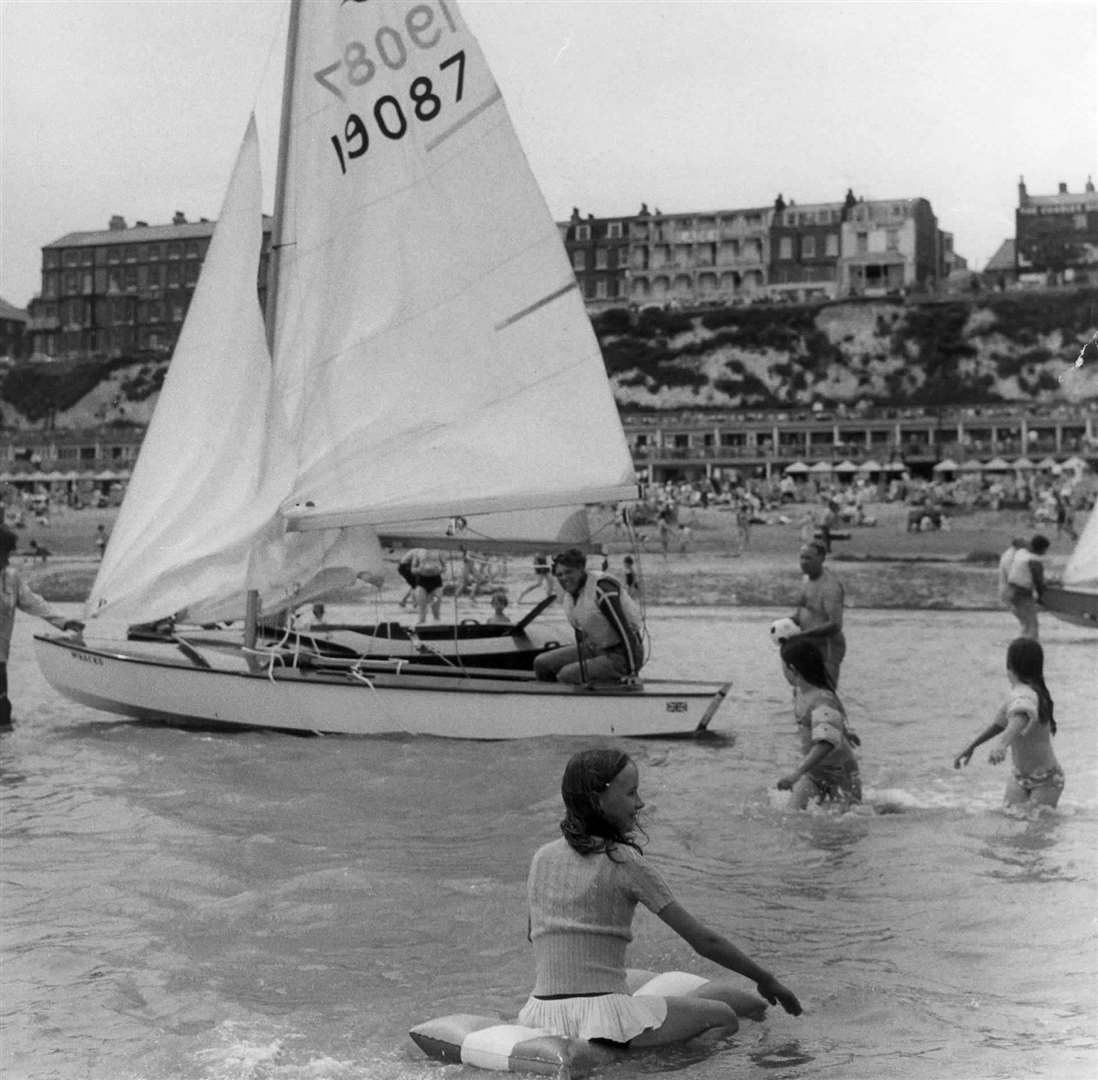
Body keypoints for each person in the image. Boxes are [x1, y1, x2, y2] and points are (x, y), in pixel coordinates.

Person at [517, 749, 802, 1046]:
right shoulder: (622, 860)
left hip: (540, 1012)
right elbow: (704, 942)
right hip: (605, 1020)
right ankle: (667, 1066)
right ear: (598, 799)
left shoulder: (542, 857)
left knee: (636, 977)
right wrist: (764, 978)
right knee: (724, 1016)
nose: (640, 803)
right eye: (631, 793)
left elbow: (533, 934)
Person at [953, 638, 1063, 809]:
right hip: (1020, 777)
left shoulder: (1025, 694)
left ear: (1010, 667)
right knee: (1010, 822)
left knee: (1034, 829)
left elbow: (1021, 718)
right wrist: (972, 746)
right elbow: (999, 725)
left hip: (1046, 780)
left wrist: (1002, 745)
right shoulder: (1021, 694)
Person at [0, 527, 83, 731]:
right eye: (5, 554)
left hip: (1, 657)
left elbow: (33, 602)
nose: (8, 560)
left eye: (10, 554)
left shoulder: (11, 577)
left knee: (2, 711)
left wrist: (65, 622)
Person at [533, 549, 644, 685]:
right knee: (541, 663)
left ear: (581, 569)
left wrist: (632, 672)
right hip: (595, 648)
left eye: (569, 572)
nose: (564, 578)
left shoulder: (602, 589)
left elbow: (625, 632)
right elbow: (581, 635)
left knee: (567, 675)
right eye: (559, 574)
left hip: (624, 654)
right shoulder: (570, 595)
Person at [776, 640, 861, 809]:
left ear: (792, 669)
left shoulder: (821, 699)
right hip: (814, 772)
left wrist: (796, 774)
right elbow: (826, 721)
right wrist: (844, 730)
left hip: (840, 774)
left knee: (847, 823)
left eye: (783, 666)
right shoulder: (799, 692)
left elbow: (826, 743)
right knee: (790, 816)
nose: (782, 671)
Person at [785, 541, 846, 688]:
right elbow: (803, 610)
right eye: (802, 558)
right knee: (803, 690)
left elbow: (835, 624)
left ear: (821, 559)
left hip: (827, 649)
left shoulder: (830, 587)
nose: (804, 562)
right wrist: (787, 624)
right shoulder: (806, 579)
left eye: (809, 558)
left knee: (824, 691)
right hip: (808, 647)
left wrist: (802, 636)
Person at [1004, 534, 1050, 640]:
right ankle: (1030, 647)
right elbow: (1039, 583)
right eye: (1045, 550)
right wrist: (1042, 599)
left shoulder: (1021, 553)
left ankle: (1020, 645)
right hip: (1022, 594)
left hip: (1010, 592)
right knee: (1033, 625)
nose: (1045, 553)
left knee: (1025, 624)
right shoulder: (1035, 561)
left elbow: (1019, 541)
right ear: (1042, 549)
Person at [412, 548, 446, 623]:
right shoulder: (417, 553)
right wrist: (420, 569)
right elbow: (413, 569)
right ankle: (421, 626)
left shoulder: (439, 552)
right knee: (422, 611)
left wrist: (439, 570)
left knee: (436, 611)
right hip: (422, 582)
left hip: (436, 583)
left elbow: (444, 567)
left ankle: (436, 626)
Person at [997, 537, 1027, 605]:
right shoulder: (1009, 557)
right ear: (1018, 546)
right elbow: (1012, 577)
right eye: (1024, 546)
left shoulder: (1016, 554)